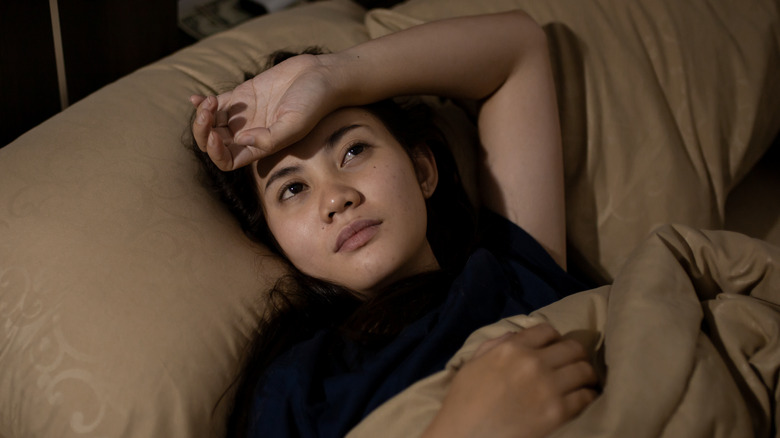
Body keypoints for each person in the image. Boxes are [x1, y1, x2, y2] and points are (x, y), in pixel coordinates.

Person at [189, 10, 598, 438]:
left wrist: (329, 75)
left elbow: (517, 50)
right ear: (277, 242)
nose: (336, 198)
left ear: (422, 171)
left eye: (353, 151)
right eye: (292, 190)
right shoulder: (299, 388)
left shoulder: (515, 268)